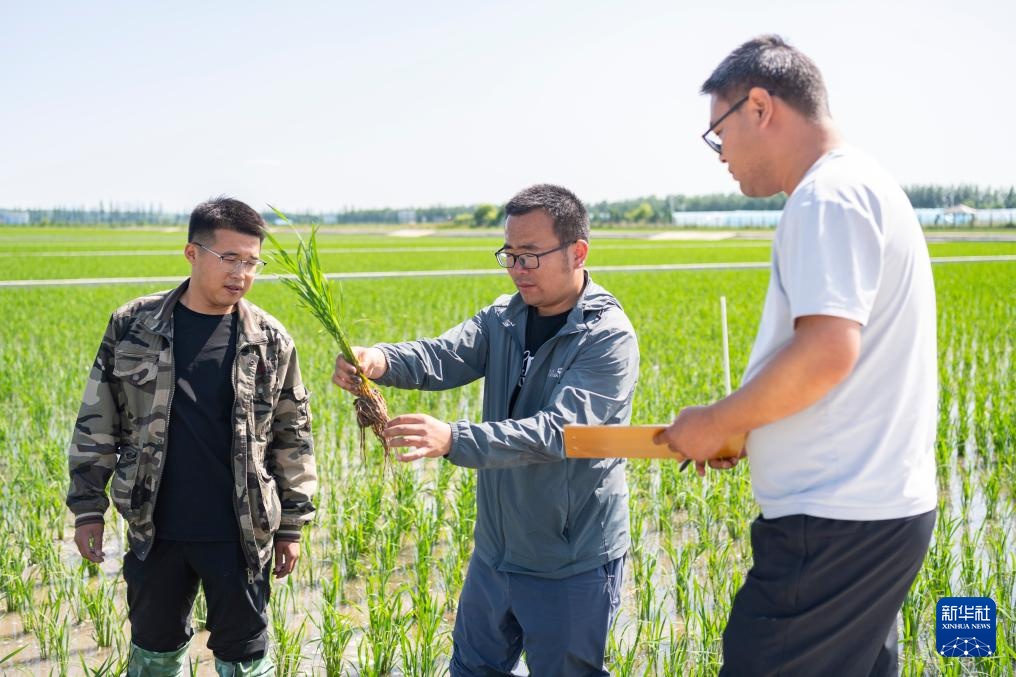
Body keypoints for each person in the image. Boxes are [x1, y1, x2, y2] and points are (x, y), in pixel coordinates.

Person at [656, 35, 938, 676]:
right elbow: (847, 375)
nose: (720, 154)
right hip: (869, 514)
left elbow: (826, 354)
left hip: (833, 523)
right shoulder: (862, 186)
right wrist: (754, 431)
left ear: (759, 106)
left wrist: (719, 421)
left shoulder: (826, 196)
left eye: (717, 132)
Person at [333, 184, 639, 676]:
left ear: (577, 251)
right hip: (497, 552)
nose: (517, 268)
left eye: (531, 256)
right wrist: (381, 359)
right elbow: (444, 354)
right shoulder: (504, 317)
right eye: (510, 254)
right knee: (472, 669)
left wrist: (455, 439)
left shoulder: (606, 338)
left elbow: (557, 433)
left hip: (570, 558)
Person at [66, 197, 317, 676]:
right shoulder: (133, 326)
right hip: (154, 530)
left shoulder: (270, 340)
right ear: (192, 253)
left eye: (251, 262)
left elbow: (293, 435)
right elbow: (98, 420)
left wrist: (292, 526)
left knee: (244, 661)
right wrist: (87, 509)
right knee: (155, 657)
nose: (241, 273)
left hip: (239, 532)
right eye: (230, 259)